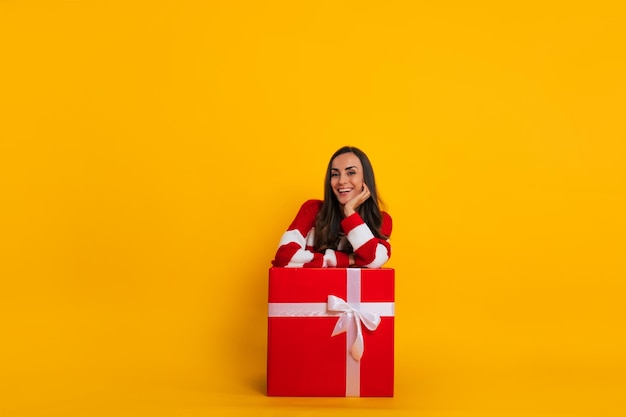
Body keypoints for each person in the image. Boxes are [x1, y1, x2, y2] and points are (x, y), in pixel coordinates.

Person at [272, 146, 392, 268]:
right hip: (311, 287)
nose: (341, 181)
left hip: (354, 288)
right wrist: (346, 260)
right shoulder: (312, 210)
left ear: (365, 179)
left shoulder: (381, 220)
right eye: (335, 174)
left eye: (351, 172)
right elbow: (284, 258)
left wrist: (350, 212)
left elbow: (374, 260)